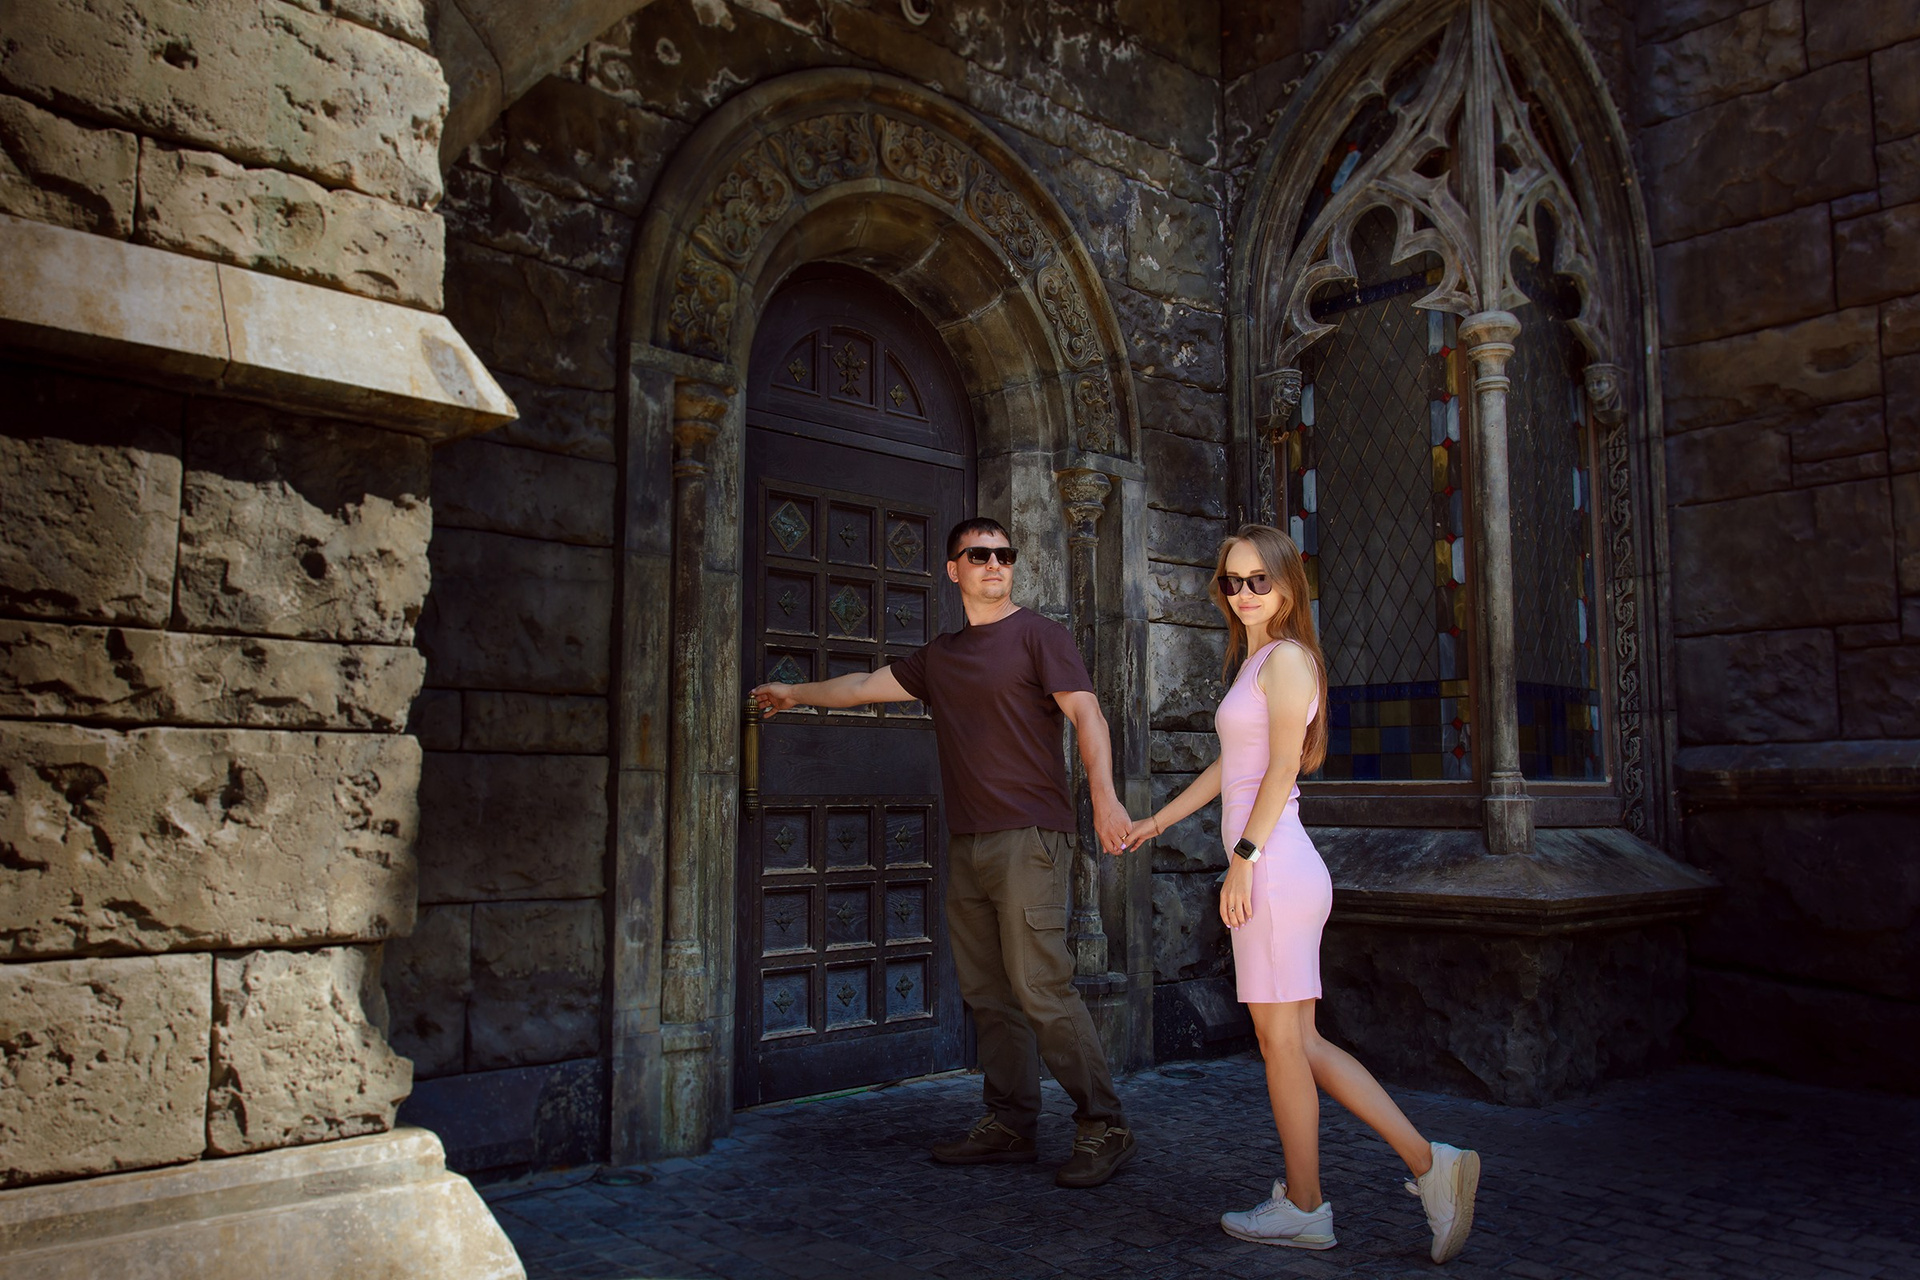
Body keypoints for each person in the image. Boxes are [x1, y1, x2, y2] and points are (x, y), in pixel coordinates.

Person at [1123, 524, 1480, 1262]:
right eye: (1232, 581)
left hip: (1275, 870)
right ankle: (1401, 1173)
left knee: (1284, 1044)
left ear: (1288, 584)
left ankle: (1341, 1195)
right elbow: (1234, 767)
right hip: (1276, 868)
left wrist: (1243, 859)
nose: (1244, 593)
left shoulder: (1286, 659)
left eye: (1259, 579)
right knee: (1296, 1042)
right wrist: (1155, 821)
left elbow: (1283, 765)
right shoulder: (1255, 661)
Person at [752, 516, 1138, 1188]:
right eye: (978, 555)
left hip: (1030, 838)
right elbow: (862, 688)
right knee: (989, 991)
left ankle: (1105, 1124)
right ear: (953, 569)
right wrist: (794, 693)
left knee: (1040, 985)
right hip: (969, 842)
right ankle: (1010, 1123)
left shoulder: (1039, 636)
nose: (994, 564)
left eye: (1004, 554)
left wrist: (1104, 798)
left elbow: (1088, 714)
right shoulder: (941, 656)